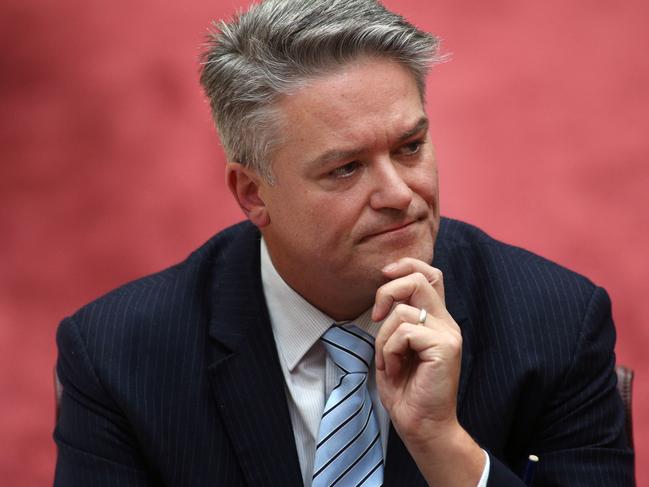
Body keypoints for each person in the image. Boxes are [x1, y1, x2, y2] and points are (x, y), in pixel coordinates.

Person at [53, 0, 634, 485]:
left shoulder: (556, 323)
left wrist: (443, 445)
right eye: (347, 168)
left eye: (410, 147)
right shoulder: (120, 356)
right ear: (253, 193)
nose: (399, 194)